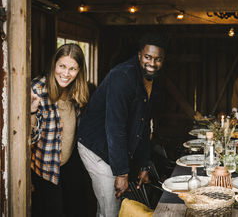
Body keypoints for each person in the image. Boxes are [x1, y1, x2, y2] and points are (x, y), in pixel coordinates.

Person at [77, 32, 166, 217]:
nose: (152, 63)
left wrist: (143, 165)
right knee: (110, 208)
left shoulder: (153, 81)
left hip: (115, 146)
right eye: (148, 57)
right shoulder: (122, 76)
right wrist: (122, 173)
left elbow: (142, 126)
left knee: (115, 207)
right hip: (96, 146)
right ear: (140, 55)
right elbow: (115, 126)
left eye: (158, 59)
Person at [30, 44, 90, 217]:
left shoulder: (76, 91)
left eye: (72, 68)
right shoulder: (37, 89)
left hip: (70, 163)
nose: (66, 73)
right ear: (54, 65)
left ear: (79, 71)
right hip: (46, 168)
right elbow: (31, 138)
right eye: (62, 66)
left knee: (77, 208)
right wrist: (32, 110)